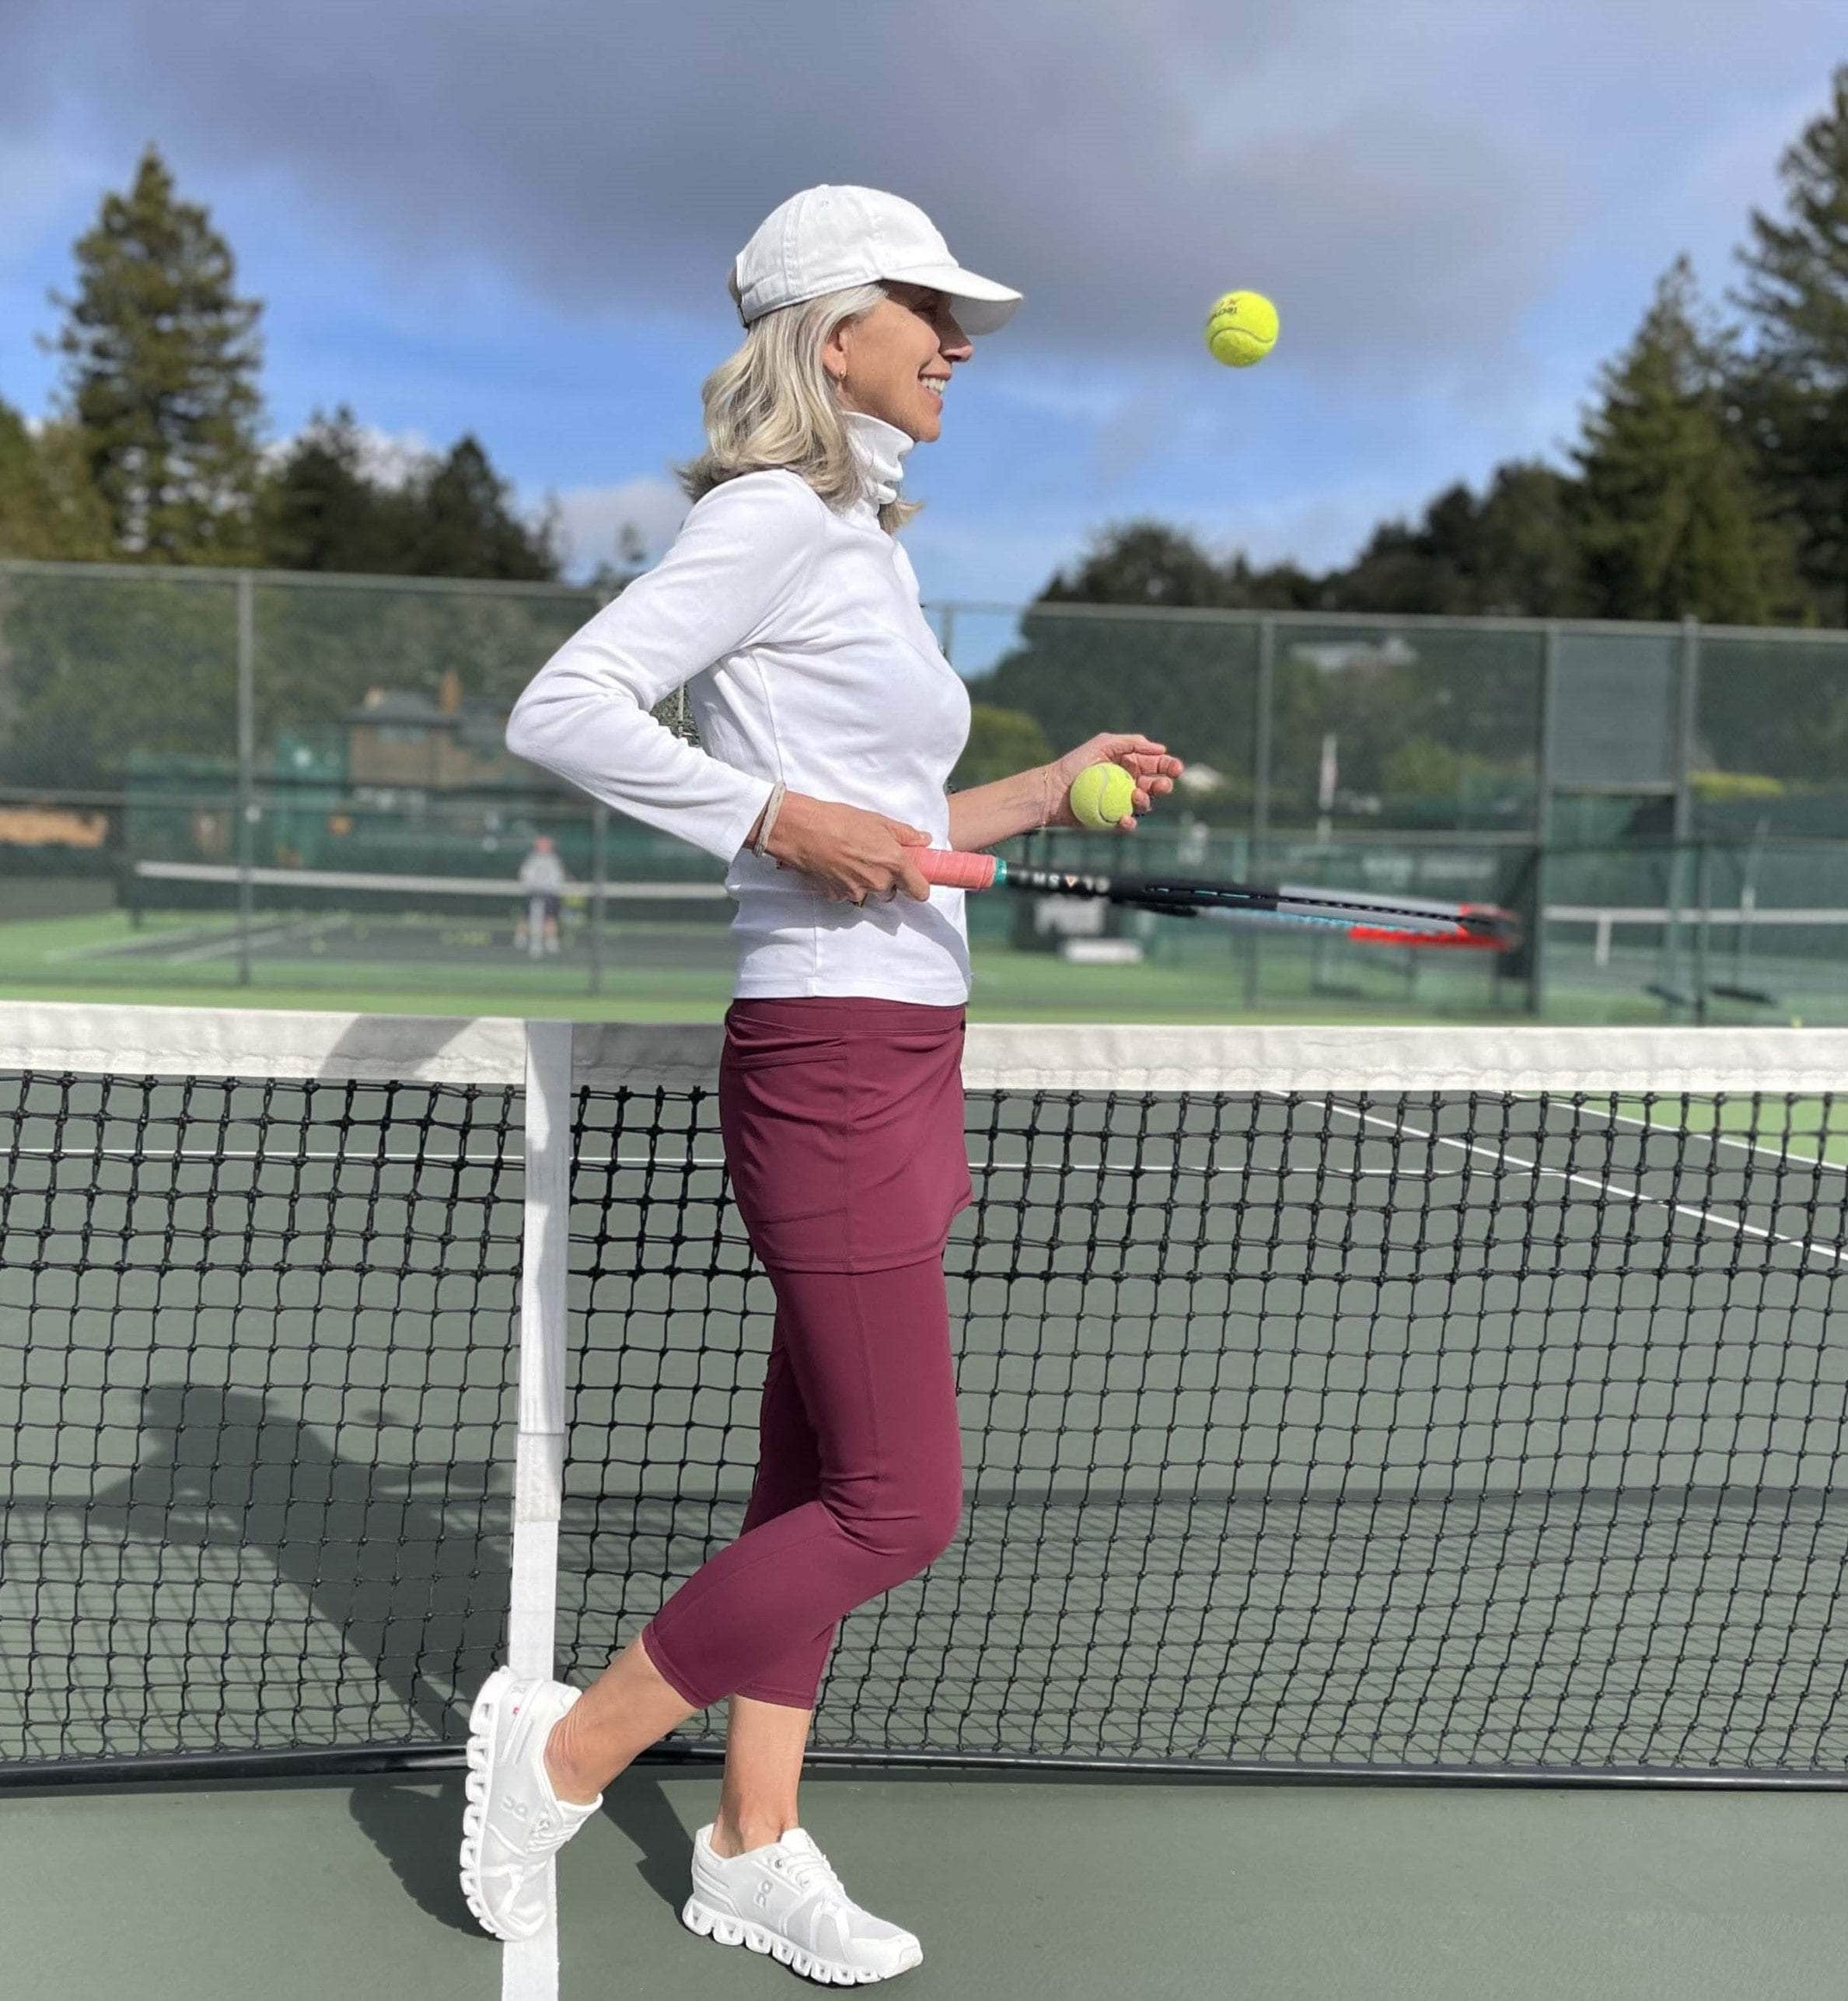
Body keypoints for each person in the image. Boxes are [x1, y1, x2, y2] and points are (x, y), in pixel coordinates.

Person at [460, 183, 1181, 1983]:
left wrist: (1036, 784)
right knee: (897, 1502)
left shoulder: (863, 542)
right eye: (927, 310)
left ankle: (752, 1834)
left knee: (814, 1471)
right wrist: (773, 814)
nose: (956, 344)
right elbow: (566, 705)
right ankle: (557, 1750)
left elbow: (894, 822)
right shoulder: (776, 516)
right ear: (829, 331)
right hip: (831, 1052)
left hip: (908, 1042)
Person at [513, 833, 567, 957]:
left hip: (550, 893)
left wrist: (555, 888)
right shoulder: (531, 859)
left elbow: (558, 877)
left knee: (550, 917)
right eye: (541, 843)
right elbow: (525, 875)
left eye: (546, 843)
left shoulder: (554, 859)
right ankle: (521, 940)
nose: (544, 846)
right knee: (526, 916)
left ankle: (551, 941)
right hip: (532, 892)